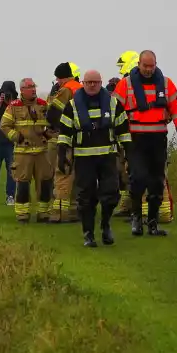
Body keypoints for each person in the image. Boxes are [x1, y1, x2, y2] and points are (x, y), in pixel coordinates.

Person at [112, 50, 177, 237]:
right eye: (145, 66)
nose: (148, 70)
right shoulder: (126, 84)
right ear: (139, 64)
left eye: (152, 66)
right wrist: (115, 135)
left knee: (156, 182)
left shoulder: (166, 83)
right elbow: (114, 110)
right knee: (138, 178)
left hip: (158, 138)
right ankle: (136, 219)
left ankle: (152, 224)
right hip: (135, 139)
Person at [57, 69, 130, 247]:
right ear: (83, 83)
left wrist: (129, 154)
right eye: (88, 82)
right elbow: (65, 132)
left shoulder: (113, 104)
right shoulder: (73, 106)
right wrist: (61, 153)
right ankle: (88, 233)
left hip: (107, 157)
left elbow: (123, 130)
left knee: (111, 195)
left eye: (95, 82)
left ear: (100, 83)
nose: (92, 85)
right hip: (84, 159)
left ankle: (105, 226)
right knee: (86, 198)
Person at [0, 77, 54, 223]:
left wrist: (47, 135)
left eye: (34, 86)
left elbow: (53, 123)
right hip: (23, 153)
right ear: (22, 90)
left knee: (45, 182)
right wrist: (17, 137)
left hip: (42, 152)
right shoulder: (13, 106)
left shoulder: (43, 105)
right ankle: (22, 214)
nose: (33, 89)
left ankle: (44, 213)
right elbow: (4, 125)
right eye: (30, 87)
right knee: (23, 183)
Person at [44, 62, 83, 223]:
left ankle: (58, 214)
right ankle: (73, 212)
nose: (57, 82)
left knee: (61, 173)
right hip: (80, 138)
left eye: (58, 78)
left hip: (64, 137)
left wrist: (52, 127)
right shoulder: (80, 88)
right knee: (75, 175)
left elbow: (53, 113)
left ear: (63, 77)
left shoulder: (66, 89)